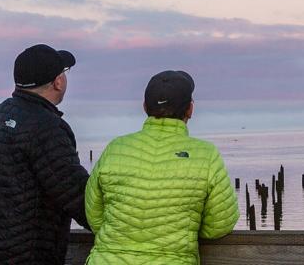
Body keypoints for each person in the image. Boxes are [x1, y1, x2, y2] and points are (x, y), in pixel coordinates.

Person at [84, 70, 239, 264]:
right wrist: (184, 230)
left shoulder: (116, 148)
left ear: (144, 107)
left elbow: (94, 215)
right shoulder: (206, 155)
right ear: (190, 109)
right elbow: (219, 224)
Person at [0, 44, 91, 264]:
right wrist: (128, 227)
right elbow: (78, 196)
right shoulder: (46, 127)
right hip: (25, 257)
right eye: (63, 73)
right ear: (58, 82)